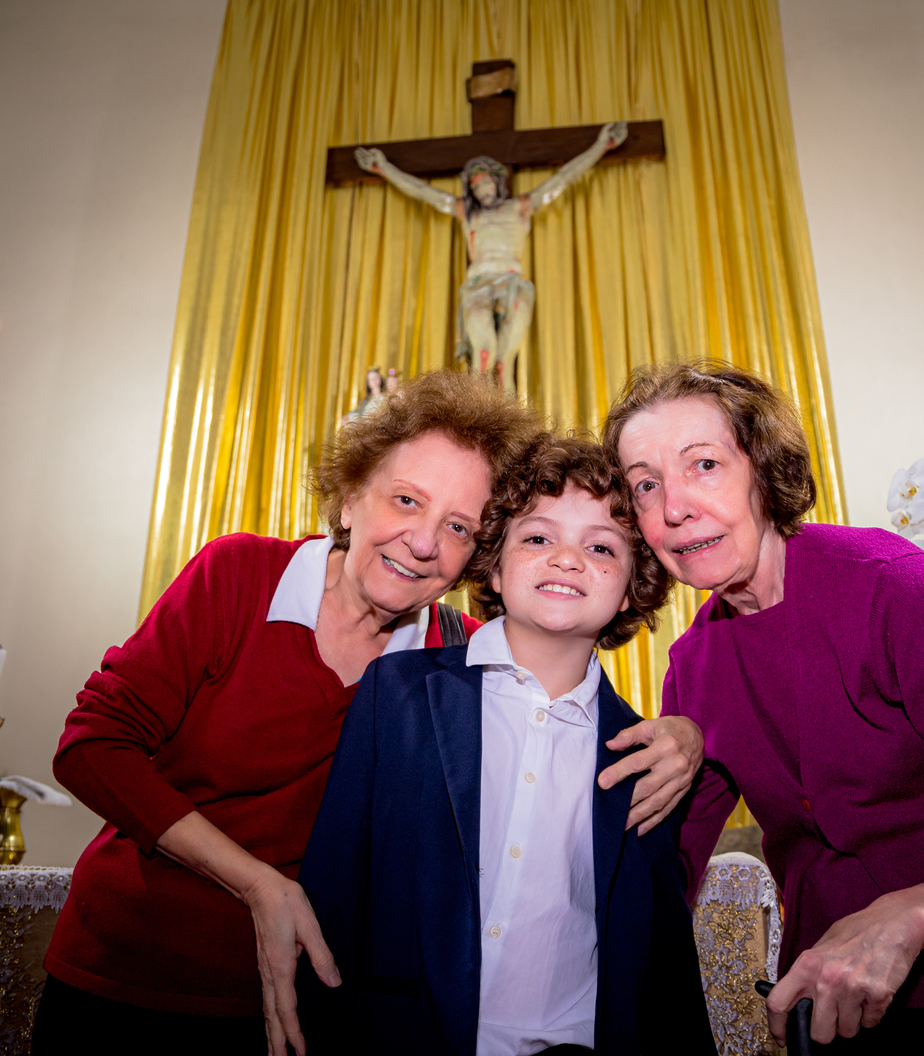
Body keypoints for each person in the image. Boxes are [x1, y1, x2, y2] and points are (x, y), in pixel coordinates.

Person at [34, 371, 701, 1056]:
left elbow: (551, 671)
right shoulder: (238, 577)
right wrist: (258, 882)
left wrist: (684, 734)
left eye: (458, 527)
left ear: (481, 553)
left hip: (295, 993)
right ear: (351, 496)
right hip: (131, 965)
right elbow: (93, 745)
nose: (422, 542)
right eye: (405, 500)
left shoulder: (454, 657)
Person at [602, 361, 924, 1055]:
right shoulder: (693, 669)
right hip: (839, 1025)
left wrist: (913, 913)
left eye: (703, 464)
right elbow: (662, 878)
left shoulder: (893, 591)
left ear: (763, 467)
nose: (674, 507)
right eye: (646, 484)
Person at [296, 437, 717, 1056]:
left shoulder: (645, 755)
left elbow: (658, 954)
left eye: (600, 547)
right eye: (538, 538)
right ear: (493, 564)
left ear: (633, 587)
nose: (568, 559)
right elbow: (334, 886)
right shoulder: (398, 691)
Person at [355, 121, 628, 390]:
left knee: (502, 362)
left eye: (485, 182)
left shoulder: (520, 206)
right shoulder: (467, 212)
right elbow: (425, 193)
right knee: (483, 356)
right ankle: (474, 423)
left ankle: (511, 432)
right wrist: (384, 169)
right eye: (475, 187)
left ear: (497, 183)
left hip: (512, 283)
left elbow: (564, 178)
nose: (481, 190)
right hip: (478, 284)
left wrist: (602, 145)